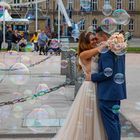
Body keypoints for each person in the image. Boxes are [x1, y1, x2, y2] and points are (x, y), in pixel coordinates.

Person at [52, 31, 106, 140]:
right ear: (85, 43)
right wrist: (108, 43)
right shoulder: (83, 54)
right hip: (90, 88)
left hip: (98, 86)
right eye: (92, 40)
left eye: (96, 39)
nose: (95, 41)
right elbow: (99, 49)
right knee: (89, 117)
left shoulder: (96, 53)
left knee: (97, 116)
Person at [91, 27, 127, 140]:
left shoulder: (107, 52)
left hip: (108, 93)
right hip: (117, 91)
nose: (96, 40)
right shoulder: (119, 49)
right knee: (115, 120)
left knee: (110, 122)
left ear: (104, 37)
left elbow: (107, 73)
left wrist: (92, 77)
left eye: (97, 38)